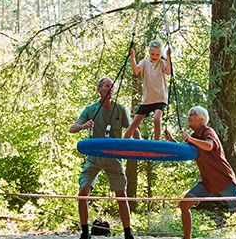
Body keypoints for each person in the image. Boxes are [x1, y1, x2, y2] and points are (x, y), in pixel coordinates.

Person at [178, 106, 236, 239]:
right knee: (184, 204)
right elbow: (184, 150)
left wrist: (190, 139)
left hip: (223, 179)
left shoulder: (208, 131)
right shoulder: (194, 136)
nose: (189, 116)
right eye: (189, 114)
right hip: (208, 182)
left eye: (192, 114)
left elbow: (209, 146)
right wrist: (171, 140)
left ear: (201, 119)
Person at [70, 77, 133, 239]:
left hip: (114, 158)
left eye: (112, 86)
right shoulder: (91, 109)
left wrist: (138, 146)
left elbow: (132, 128)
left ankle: (128, 233)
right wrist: (83, 126)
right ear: (99, 90)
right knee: (83, 192)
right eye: (106, 86)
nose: (110, 89)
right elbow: (72, 128)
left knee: (122, 195)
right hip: (94, 157)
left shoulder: (120, 109)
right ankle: (85, 232)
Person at [124, 40, 172, 141]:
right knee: (133, 124)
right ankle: (123, 142)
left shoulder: (162, 63)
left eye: (157, 54)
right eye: (152, 54)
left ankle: (156, 143)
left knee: (156, 119)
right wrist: (132, 57)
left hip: (160, 98)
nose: (155, 56)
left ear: (161, 54)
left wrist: (168, 56)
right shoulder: (144, 63)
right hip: (147, 100)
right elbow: (136, 71)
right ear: (149, 52)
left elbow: (168, 72)